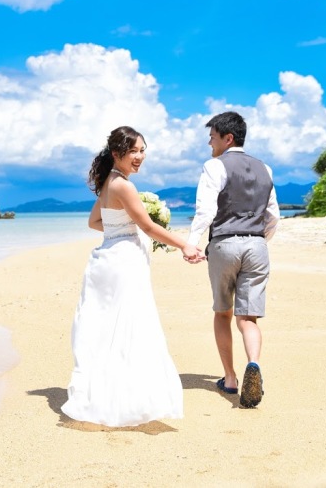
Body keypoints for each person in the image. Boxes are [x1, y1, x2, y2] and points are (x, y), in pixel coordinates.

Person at [61, 126, 203, 427]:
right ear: (117, 154)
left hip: (107, 259)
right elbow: (150, 228)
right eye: (134, 151)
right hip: (124, 263)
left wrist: (123, 229)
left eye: (142, 150)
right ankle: (126, 400)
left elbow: (95, 222)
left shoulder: (107, 183)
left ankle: (108, 394)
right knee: (129, 327)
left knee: (109, 328)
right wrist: (185, 245)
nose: (140, 156)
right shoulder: (124, 186)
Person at [186, 111, 280, 409]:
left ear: (228, 138)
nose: (209, 143)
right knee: (247, 318)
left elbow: (205, 211)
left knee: (223, 313)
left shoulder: (215, 166)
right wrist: (257, 241)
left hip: (225, 244)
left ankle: (229, 379)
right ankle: (254, 363)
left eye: (212, 137)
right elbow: (273, 215)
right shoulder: (265, 168)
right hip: (257, 245)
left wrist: (191, 243)